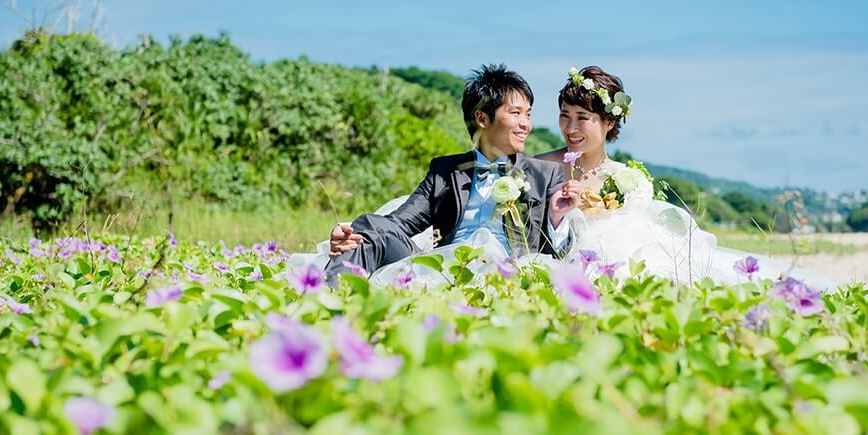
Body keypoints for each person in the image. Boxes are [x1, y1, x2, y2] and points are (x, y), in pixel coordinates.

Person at [538, 65, 835, 289]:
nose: (570, 127)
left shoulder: (629, 180)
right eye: (565, 115)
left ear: (609, 122)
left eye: (582, 118)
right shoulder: (539, 167)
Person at [319, 64, 582, 286]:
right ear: (482, 118)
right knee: (368, 227)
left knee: (367, 230)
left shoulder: (545, 174)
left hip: (508, 275)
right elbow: (399, 224)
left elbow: (554, 255)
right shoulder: (445, 171)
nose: (526, 124)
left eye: (528, 114)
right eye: (516, 113)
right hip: (442, 271)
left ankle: (324, 306)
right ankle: (329, 304)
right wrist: (354, 233)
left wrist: (557, 218)